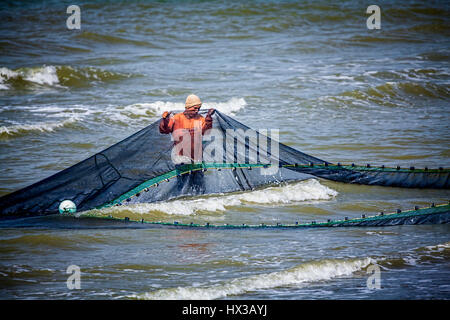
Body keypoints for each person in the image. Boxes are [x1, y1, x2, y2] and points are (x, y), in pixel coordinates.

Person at [159, 94, 214, 163]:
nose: (197, 111)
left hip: (197, 157)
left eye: (199, 108)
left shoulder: (200, 119)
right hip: (181, 157)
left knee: (197, 173)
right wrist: (165, 120)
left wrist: (208, 117)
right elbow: (164, 130)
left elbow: (206, 132)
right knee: (185, 172)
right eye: (195, 108)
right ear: (188, 107)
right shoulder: (176, 118)